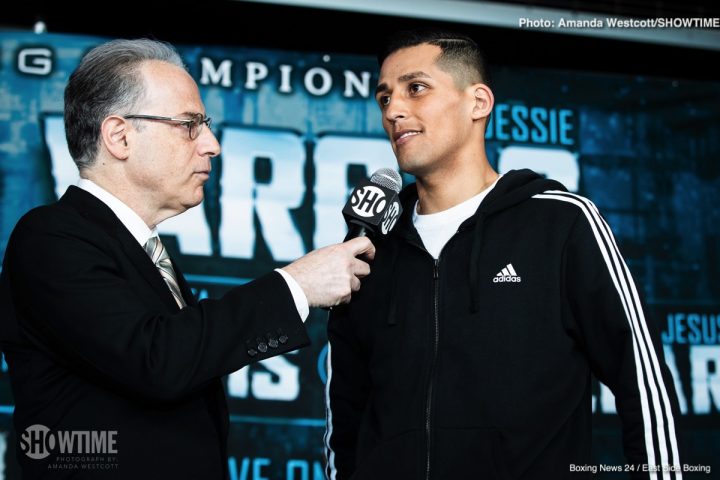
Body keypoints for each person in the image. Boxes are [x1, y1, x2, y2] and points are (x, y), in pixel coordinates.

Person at [0, 38, 374, 479]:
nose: (212, 144)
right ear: (119, 136)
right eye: (189, 125)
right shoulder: (51, 237)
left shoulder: (143, 252)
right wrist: (296, 285)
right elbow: (156, 360)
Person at [324, 29, 683, 479]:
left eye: (416, 89)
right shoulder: (369, 248)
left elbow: (643, 383)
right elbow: (346, 415)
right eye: (383, 98)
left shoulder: (561, 222)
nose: (393, 110)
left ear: (478, 103)